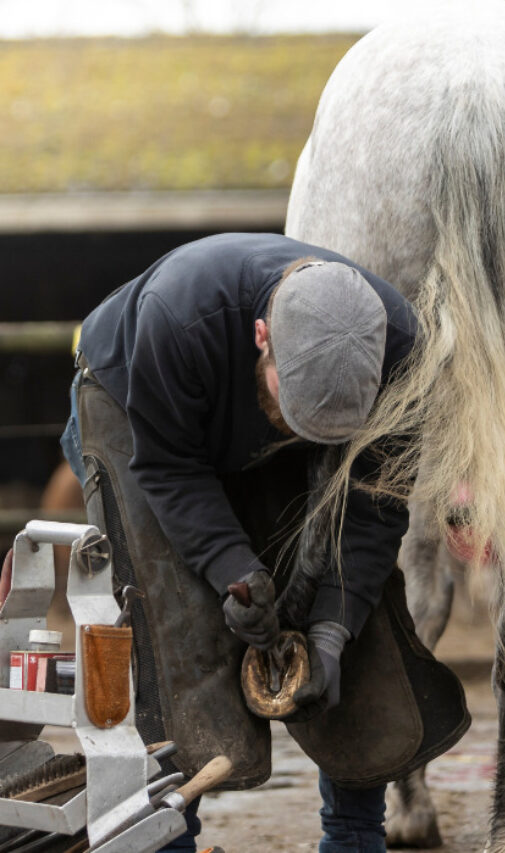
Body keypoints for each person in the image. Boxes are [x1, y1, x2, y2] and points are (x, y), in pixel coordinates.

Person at [61, 232, 469, 852]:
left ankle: (356, 838)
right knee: (169, 628)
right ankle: (172, 840)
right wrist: (233, 570)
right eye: (293, 402)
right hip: (136, 403)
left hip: (273, 425)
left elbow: (373, 509)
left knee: (363, 611)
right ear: (263, 338)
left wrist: (334, 629)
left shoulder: (404, 355)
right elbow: (169, 470)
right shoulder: (179, 317)